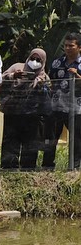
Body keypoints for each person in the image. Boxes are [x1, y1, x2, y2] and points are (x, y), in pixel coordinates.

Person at [0, 48, 51, 169]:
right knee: (11, 139)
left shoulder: (44, 76)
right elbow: (0, 79)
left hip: (32, 114)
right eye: (32, 58)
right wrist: (13, 75)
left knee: (30, 141)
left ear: (43, 62)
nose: (34, 62)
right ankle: (8, 166)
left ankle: (28, 167)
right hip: (13, 111)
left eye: (38, 60)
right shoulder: (17, 66)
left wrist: (41, 85)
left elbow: (48, 93)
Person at [43, 33, 81, 169]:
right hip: (57, 106)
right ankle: (47, 166)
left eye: (71, 45)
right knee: (51, 138)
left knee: (76, 139)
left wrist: (77, 76)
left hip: (76, 108)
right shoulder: (57, 62)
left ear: (79, 47)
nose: (68, 48)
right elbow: (51, 80)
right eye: (66, 45)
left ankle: (74, 167)